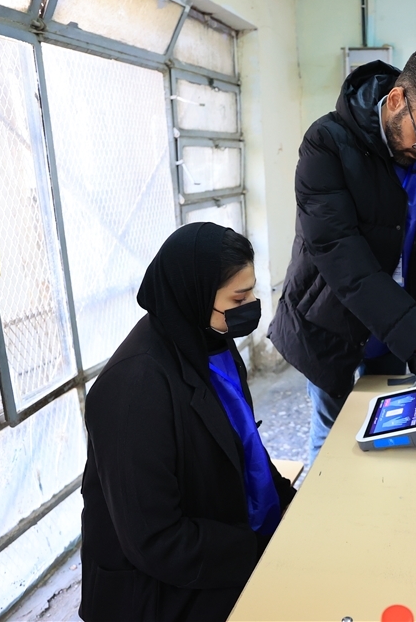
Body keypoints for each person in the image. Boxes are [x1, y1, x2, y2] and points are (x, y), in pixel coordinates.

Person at [269, 46, 416, 463]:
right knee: (332, 444)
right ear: (395, 101)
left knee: (391, 441)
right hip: (329, 324)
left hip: (394, 332)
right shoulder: (327, 143)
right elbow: (341, 256)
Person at [80, 223, 295, 622]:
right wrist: (259, 550)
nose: (251, 304)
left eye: (253, 292)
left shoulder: (210, 342)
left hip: (221, 541)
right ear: (194, 293)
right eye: (239, 296)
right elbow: (156, 540)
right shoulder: (133, 389)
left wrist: (287, 507)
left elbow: (243, 442)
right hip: (159, 593)